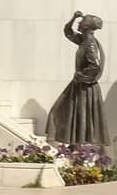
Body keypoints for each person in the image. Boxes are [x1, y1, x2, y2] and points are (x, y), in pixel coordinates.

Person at [47, 11, 110, 145]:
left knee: (66, 113)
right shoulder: (84, 40)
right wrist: (73, 18)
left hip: (84, 87)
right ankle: (73, 146)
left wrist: (80, 75)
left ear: (86, 27)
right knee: (66, 114)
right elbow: (68, 32)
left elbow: (96, 66)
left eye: (80, 23)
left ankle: (71, 147)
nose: (78, 24)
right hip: (80, 85)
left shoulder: (90, 44)